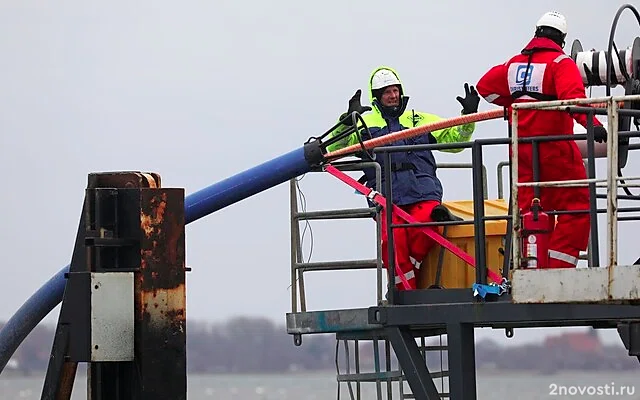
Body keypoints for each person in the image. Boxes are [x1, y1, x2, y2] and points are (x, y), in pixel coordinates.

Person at [326, 66, 480, 290]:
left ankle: (408, 285)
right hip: (386, 197)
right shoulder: (364, 124)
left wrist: (468, 117)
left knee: (427, 225)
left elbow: (454, 139)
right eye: (386, 91)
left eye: (395, 90)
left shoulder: (419, 119)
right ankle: (404, 295)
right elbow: (331, 148)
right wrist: (347, 122)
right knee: (392, 243)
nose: (393, 95)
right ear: (377, 96)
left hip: (423, 191)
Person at [475, 11, 607, 268]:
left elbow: (485, 88)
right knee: (577, 209)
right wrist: (593, 125)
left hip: (522, 153)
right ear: (562, 39)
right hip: (555, 150)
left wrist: (512, 104)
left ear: (536, 33)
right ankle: (557, 270)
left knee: (529, 212)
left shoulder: (513, 65)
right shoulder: (560, 63)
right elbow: (573, 100)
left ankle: (530, 267)